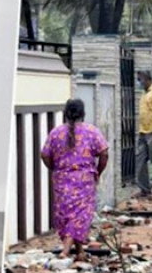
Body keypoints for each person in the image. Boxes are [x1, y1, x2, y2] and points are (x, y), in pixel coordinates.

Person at [41, 99, 109, 260]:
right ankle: (65, 251)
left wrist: (55, 168)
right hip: (84, 180)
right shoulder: (92, 132)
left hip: (62, 180)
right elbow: (104, 153)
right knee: (79, 216)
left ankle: (80, 252)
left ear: (65, 113)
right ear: (83, 114)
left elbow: (44, 154)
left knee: (67, 215)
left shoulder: (56, 133)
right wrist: (98, 171)